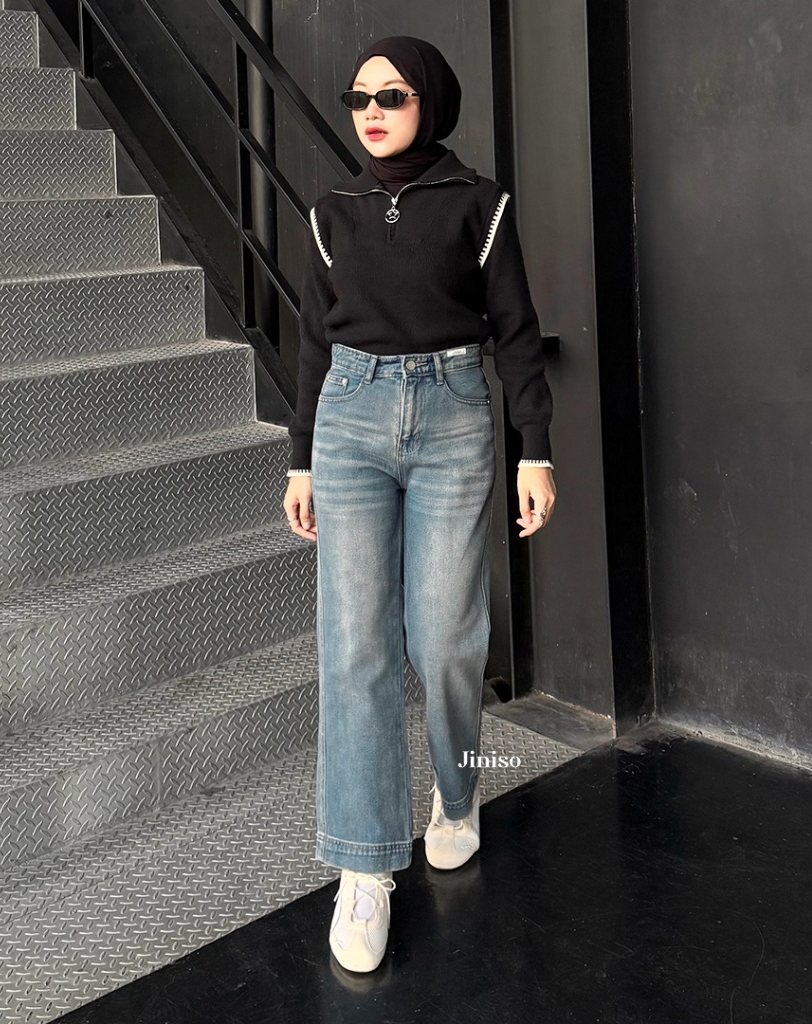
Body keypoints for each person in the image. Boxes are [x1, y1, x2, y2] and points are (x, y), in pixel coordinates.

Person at [281, 35, 556, 973]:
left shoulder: (481, 203)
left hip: (453, 415)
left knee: (445, 639)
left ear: (429, 102)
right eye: (359, 98)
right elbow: (314, 344)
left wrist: (536, 446)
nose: (372, 112)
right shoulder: (331, 213)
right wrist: (301, 460)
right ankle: (364, 869)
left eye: (392, 96)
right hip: (350, 417)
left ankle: (459, 788)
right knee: (355, 646)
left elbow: (516, 330)